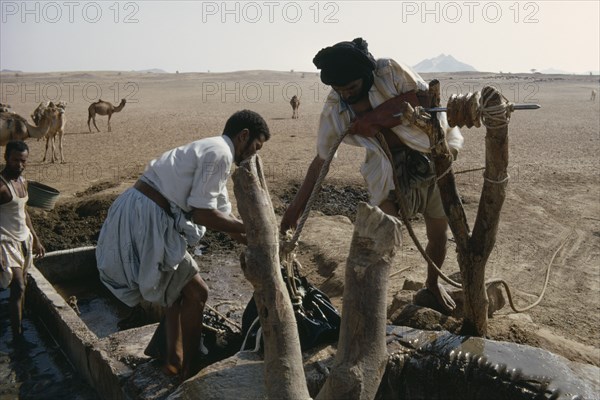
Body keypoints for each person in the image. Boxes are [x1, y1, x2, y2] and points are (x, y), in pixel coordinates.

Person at [280, 38, 464, 314]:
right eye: (340, 90)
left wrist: (375, 119)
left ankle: (432, 285)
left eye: (352, 87)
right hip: (388, 170)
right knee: (380, 236)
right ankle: (371, 307)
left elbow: (425, 98)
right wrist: (295, 209)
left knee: (439, 233)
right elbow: (321, 162)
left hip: (434, 156)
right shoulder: (335, 110)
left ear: (366, 77)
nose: (347, 95)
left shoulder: (389, 72)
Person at [96, 110, 270, 379]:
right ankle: (191, 367)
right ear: (243, 135)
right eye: (254, 148)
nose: (252, 156)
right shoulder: (221, 154)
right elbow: (203, 214)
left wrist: (250, 239)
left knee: (178, 291)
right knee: (198, 293)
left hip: (137, 208)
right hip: (148, 216)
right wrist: (254, 228)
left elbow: (222, 210)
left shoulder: (211, 148)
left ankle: (171, 355)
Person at [0, 140, 46, 339]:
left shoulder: (23, 182)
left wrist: (35, 238)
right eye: (15, 160)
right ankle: (17, 337)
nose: (19, 165)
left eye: (23, 161)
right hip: (5, 240)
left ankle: (20, 322)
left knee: (23, 285)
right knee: (18, 284)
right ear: (6, 158)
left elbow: (24, 212)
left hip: (23, 239)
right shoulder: (1, 186)